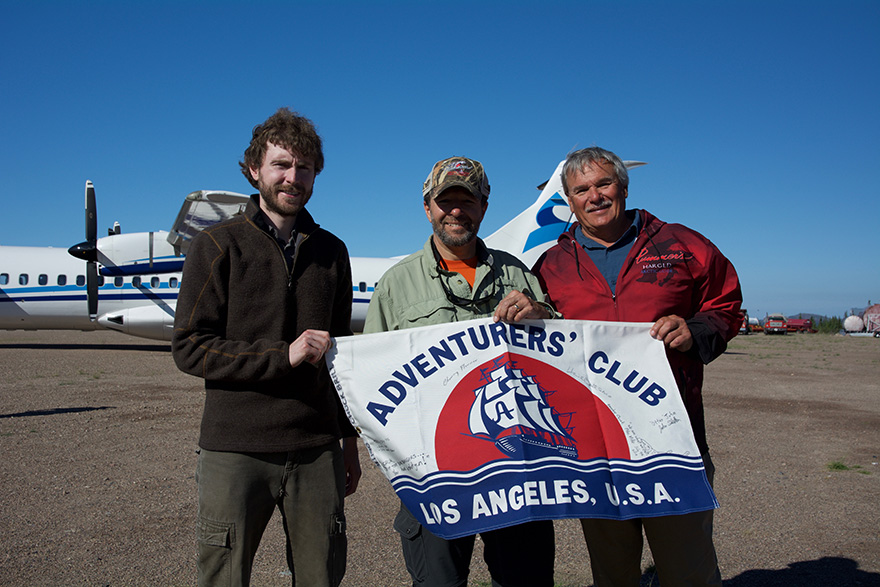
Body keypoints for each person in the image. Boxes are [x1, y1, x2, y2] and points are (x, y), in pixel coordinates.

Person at [533, 147, 742, 587]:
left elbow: (726, 303)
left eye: (603, 184)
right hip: (596, 444)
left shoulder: (680, 244)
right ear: (568, 201)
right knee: (612, 572)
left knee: (689, 569)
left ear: (623, 188)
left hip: (673, 437)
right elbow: (545, 335)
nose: (594, 196)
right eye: (581, 190)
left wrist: (695, 330)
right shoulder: (551, 265)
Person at [172, 108, 361, 587]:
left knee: (322, 574)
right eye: (280, 164)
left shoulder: (332, 252)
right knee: (223, 577)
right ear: (254, 169)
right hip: (235, 450)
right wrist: (284, 356)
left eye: (304, 167)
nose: (292, 178)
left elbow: (340, 360)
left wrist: (349, 443)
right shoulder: (217, 245)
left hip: (317, 449)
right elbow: (190, 346)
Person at [363, 156, 556, 587]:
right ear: (428, 207)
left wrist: (541, 313)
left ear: (484, 207)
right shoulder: (396, 283)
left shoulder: (517, 273)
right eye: (445, 200)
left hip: (515, 469)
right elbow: (373, 377)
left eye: (467, 201)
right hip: (435, 473)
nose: (456, 210)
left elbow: (562, 352)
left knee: (525, 580)